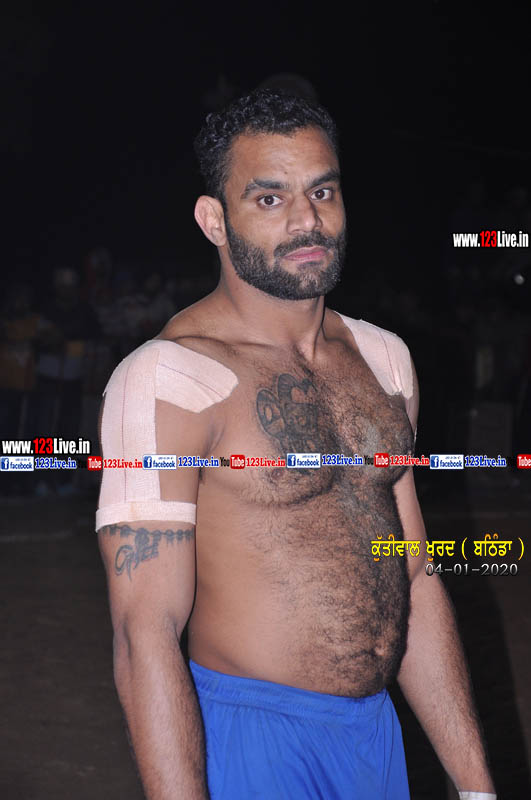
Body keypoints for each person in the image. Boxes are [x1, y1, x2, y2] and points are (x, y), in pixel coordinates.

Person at [96, 90, 496, 800]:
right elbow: (144, 630)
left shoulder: (384, 360)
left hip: (374, 736)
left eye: (322, 191)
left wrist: (474, 784)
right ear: (214, 220)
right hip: (249, 736)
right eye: (269, 198)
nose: (307, 220)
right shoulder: (169, 379)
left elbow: (413, 574)